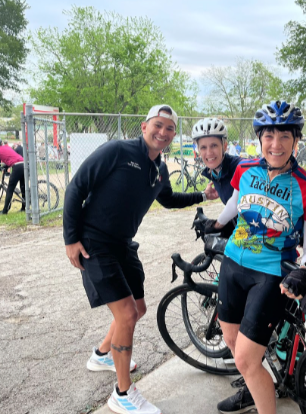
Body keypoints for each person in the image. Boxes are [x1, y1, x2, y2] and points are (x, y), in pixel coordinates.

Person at [63, 104, 205, 414]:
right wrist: (70, 239)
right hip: (94, 242)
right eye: (158, 125)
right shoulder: (117, 151)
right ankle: (122, 393)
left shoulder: (160, 169)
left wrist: (203, 196)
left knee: (137, 309)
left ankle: (102, 355)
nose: (163, 132)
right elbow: (77, 187)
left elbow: (167, 199)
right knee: (126, 315)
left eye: (169, 128)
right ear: (144, 126)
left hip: (123, 244)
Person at [209, 102, 306, 414]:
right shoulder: (245, 170)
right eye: (269, 136)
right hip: (233, 264)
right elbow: (235, 201)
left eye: (285, 136)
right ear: (259, 139)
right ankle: (254, 386)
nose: (276, 144)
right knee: (234, 344)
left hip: (270, 275)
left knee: (246, 359)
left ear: (296, 141)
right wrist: (217, 223)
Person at [191, 117, 240, 206]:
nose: (209, 153)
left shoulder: (238, 167)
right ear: (198, 150)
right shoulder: (213, 172)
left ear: (224, 146)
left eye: (214, 145)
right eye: (203, 147)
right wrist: (205, 195)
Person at [0, 137, 26, 214]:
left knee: (10, 189)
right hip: (24, 164)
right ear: (1, 142)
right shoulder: (7, 147)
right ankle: (24, 208)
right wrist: (5, 166)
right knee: (23, 188)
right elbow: (12, 158)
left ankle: (5, 211)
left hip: (17, 166)